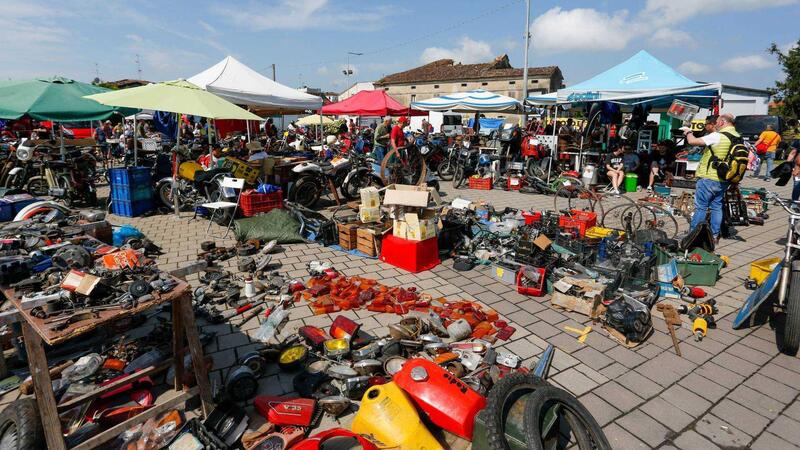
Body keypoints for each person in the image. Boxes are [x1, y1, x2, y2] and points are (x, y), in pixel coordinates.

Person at [683, 114, 739, 241]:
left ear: (723, 122)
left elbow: (692, 141)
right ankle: (714, 235)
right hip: (725, 177)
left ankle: (693, 235)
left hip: (709, 177)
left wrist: (688, 131)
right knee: (716, 206)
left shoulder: (718, 136)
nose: (717, 124)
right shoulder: (737, 136)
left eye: (718, 122)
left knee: (701, 207)